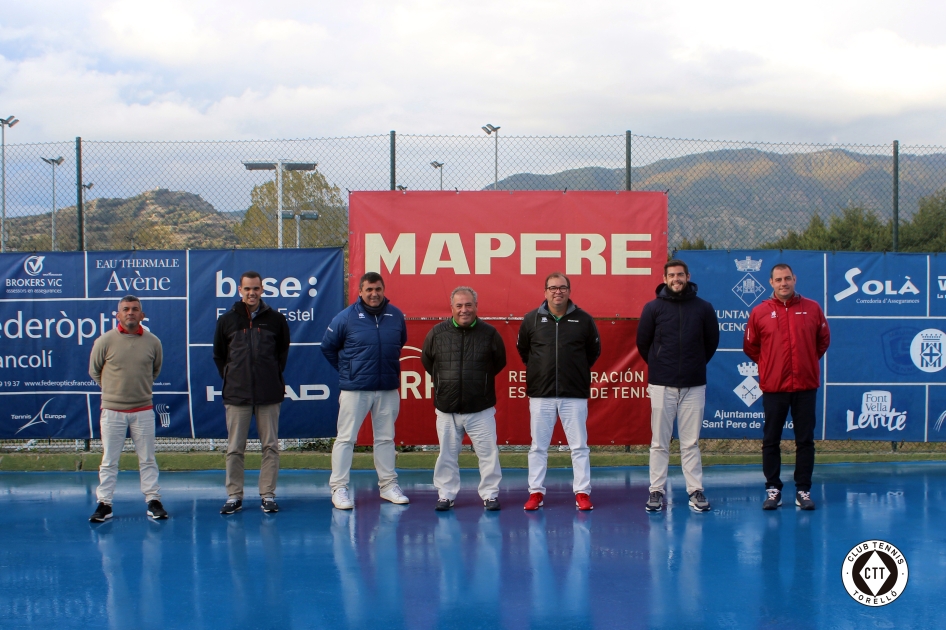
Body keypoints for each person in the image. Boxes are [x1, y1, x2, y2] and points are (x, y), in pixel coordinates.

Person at [744, 263, 830, 511]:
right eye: (779, 279)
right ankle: (773, 490)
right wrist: (771, 364)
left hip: (805, 386)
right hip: (774, 387)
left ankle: (803, 490)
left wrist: (806, 362)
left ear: (795, 279)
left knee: (805, 441)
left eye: (788, 279)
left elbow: (823, 340)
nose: (784, 283)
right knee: (771, 440)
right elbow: (751, 346)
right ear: (771, 283)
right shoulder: (759, 312)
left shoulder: (812, 308)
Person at [636, 259, 719, 513]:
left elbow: (711, 343)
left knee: (690, 442)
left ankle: (695, 490)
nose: (676, 279)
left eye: (680, 275)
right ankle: (656, 491)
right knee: (659, 442)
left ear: (688, 276)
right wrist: (661, 366)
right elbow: (643, 343)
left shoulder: (703, 308)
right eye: (671, 275)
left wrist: (693, 365)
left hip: (694, 386)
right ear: (664, 278)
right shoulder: (653, 308)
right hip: (662, 385)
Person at [322, 272, 409, 510]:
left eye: (378, 289)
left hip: (387, 388)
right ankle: (339, 488)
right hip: (355, 389)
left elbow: (399, 342)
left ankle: (388, 485)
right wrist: (348, 370)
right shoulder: (346, 317)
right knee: (346, 438)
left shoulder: (396, 315)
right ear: (360, 291)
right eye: (369, 289)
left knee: (385, 439)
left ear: (383, 290)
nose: (374, 294)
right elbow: (328, 347)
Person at [517, 272, 601, 511]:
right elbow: (524, 352)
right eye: (552, 288)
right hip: (540, 393)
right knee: (538, 447)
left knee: (579, 447)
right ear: (545, 292)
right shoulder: (531, 319)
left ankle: (582, 493)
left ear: (569, 291)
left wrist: (574, 371)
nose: (558, 292)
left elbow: (593, 352)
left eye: (562, 287)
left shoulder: (584, 319)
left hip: (573, 393)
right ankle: (535, 493)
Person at [421, 286, 507, 511]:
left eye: (469, 305)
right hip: (447, 408)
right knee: (446, 455)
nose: (464, 310)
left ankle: (490, 494)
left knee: (488, 454)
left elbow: (499, 362)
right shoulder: (437, 333)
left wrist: (477, 384)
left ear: (476, 307)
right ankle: (445, 495)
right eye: (459, 305)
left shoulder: (490, 334)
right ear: (452, 308)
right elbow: (428, 362)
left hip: (480, 408)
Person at [213, 270, 291, 515]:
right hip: (237, 395)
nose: (252, 293)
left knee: (270, 446)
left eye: (256, 288)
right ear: (240, 291)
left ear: (262, 290)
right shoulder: (226, 321)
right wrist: (233, 378)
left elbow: (282, 356)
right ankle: (234, 495)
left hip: (269, 394)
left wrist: (269, 377)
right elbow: (219, 356)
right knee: (235, 447)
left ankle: (267, 494)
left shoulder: (276, 320)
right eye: (247, 289)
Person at [88, 295, 166, 522]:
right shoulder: (105, 341)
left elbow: (155, 370)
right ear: (118, 314)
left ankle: (153, 500)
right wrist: (114, 391)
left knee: (148, 459)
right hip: (112, 412)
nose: (130, 313)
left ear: (142, 315)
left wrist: (138, 390)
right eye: (125, 309)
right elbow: (95, 371)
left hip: (143, 410)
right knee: (110, 460)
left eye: (135, 309)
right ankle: (105, 504)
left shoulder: (153, 342)